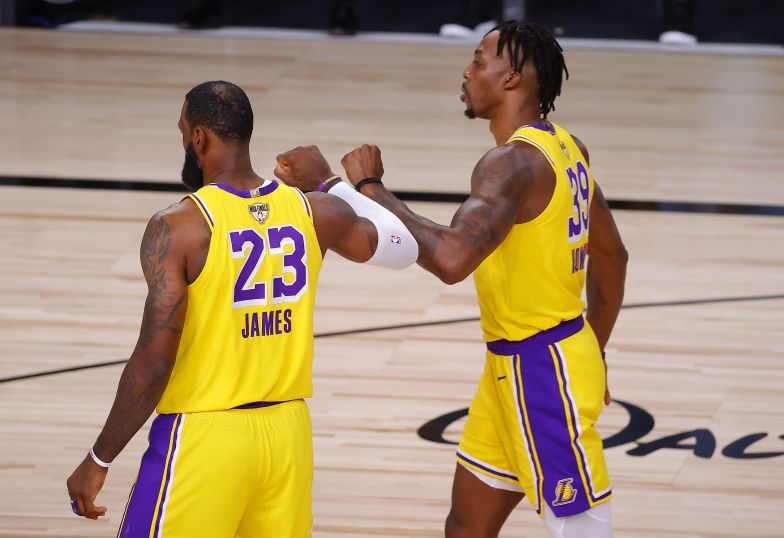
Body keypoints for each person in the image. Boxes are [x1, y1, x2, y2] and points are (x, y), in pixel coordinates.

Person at [277, 21, 628, 538]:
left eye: (480, 61)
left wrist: (366, 189)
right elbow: (612, 254)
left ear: (511, 78)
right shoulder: (568, 148)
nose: (467, 70)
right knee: (466, 526)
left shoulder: (509, 164)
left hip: (542, 368)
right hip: (522, 362)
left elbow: (452, 259)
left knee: (581, 529)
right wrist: (591, 349)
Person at [65, 80, 418, 537]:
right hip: (288, 437)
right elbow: (404, 247)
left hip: (206, 439)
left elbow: (153, 363)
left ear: (199, 138)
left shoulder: (180, 226)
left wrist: (99, 457)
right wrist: (336, 187)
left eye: (182, 131)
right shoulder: (314, 210)